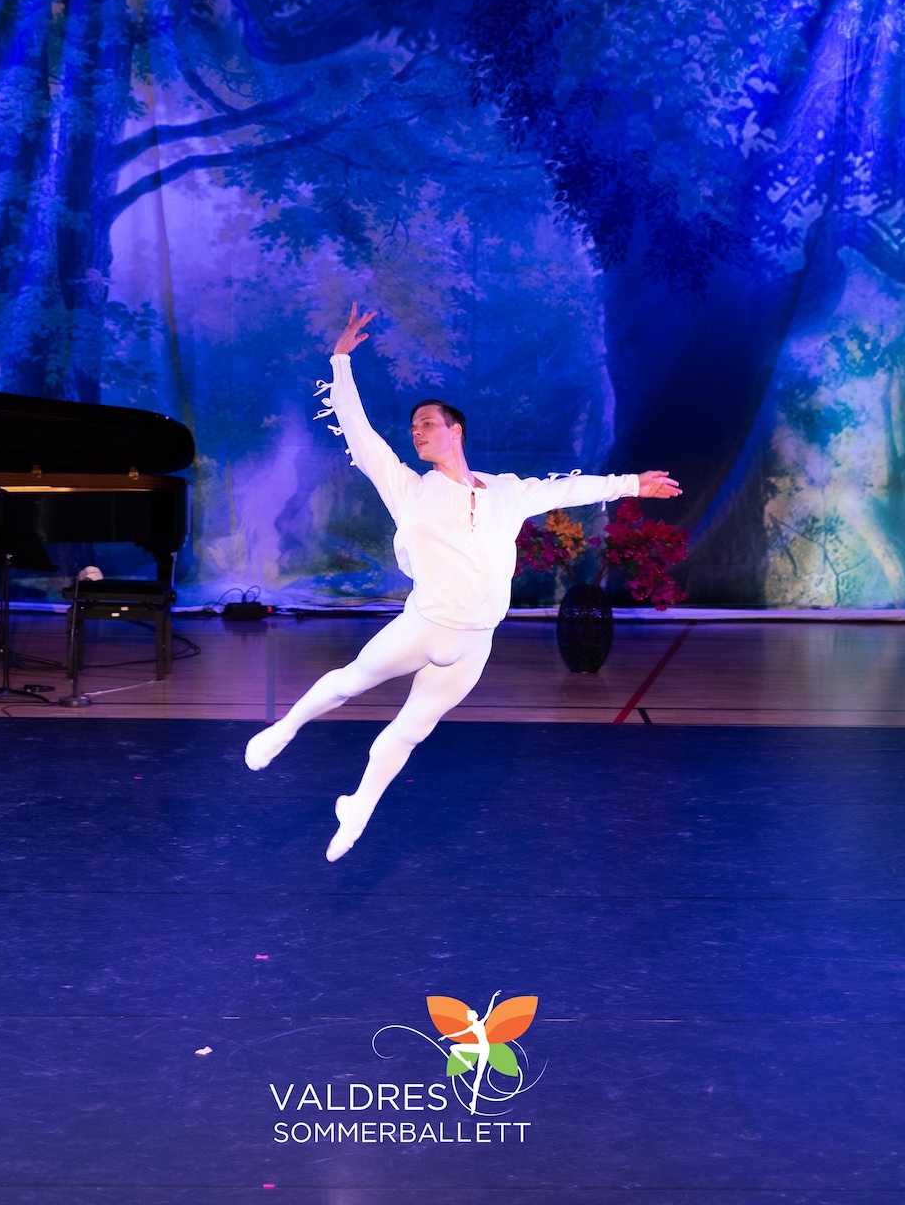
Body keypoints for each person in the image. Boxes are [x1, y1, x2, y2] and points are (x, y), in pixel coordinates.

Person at [245, 304, 682, 861]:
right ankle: (284, 729)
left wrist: (633, 484)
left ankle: (357, 808)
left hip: (476, 642)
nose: (417, 432)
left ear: (456, 431)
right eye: (413, 428)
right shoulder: (409, 488)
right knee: (352, 680)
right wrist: (340, 362)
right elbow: (359, 432)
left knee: (410, 731)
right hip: (424, 627)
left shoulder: (508, 492)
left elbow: (567, 490)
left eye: (427, 424)